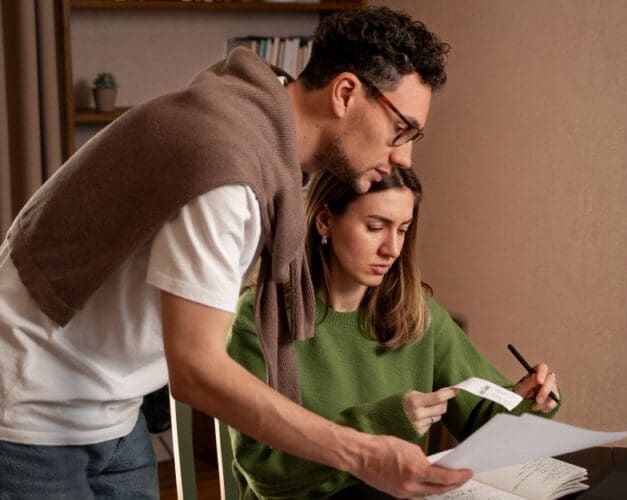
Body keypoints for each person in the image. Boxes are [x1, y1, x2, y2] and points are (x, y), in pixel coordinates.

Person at [0, 6, 473, 499]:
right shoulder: (228, 170)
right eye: (403, 129)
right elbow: (197, 371)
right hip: (32, 412)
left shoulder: (248, 116)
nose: (404, 156)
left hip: (114, 408)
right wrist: (361, 452)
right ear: (346, 93)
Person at [226, 168, 561, 498]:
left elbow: (481, 423)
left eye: (402, 230)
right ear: (325, 220)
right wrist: (384, 421)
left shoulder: (417, 313)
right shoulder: (262, 320)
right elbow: (264, 473)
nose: (392, 249)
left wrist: (527, 400)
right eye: (375, 227)